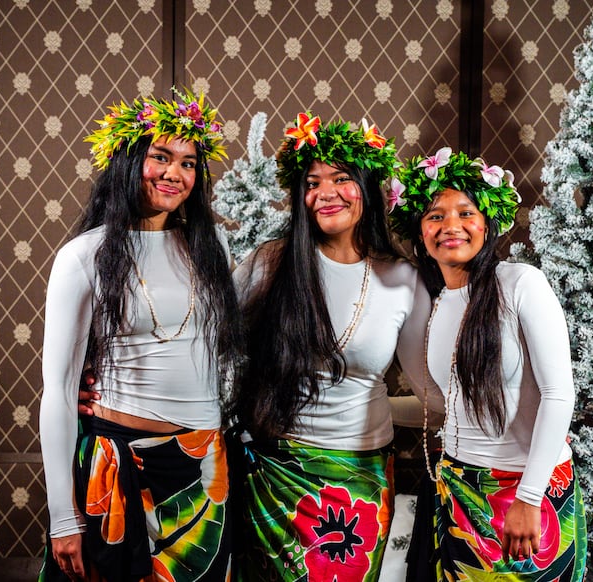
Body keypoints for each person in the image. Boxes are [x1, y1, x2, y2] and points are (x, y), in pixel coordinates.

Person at [38, 89, 242, 581]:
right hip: (120, 468)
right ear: (129, 162)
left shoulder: (211, 250)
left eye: (189, 163)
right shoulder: (83, 256)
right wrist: (62, 515)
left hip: (204, 470)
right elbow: (61, 392)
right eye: (160, 157)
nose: (175, 173)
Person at [226, 112, 431, 582]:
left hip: (359, 479)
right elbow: (205, 343)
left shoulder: (401, 280)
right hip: (275, 473)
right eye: (312, 182)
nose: (326, 193)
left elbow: (430, 394)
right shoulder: (270, 263)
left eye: (341, 179)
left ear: (368, 186)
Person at [388, 148, 588, 580]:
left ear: (487, 222)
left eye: (465, 212)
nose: (450, 226)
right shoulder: (439, 304)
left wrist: (530, 498)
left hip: (525, 494)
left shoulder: (520, 284)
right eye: (435, 216)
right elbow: (445, 405)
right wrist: (372, 406)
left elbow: (559, 395)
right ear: (420, 230)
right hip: (458, 495)